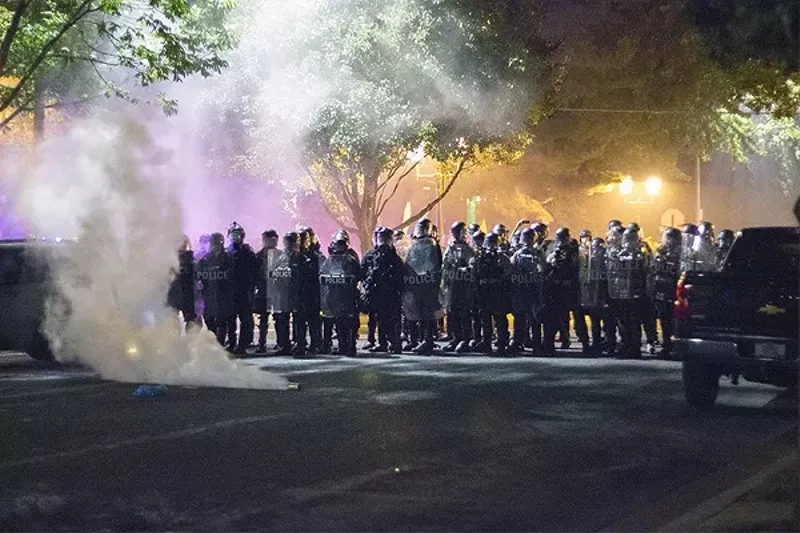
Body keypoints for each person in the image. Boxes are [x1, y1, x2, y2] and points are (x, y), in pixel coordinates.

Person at [402, 218, 442, 354]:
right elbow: (409, 262)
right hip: (417, 284)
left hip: (428, 284)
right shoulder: (415, 245)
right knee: (417, 312)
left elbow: (435, 265)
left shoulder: (431, 245)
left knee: (427, 314)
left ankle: (428, 340)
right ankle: (417, 340)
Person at [546, 227, 589, 354]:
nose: (561, 241)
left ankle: (585, 342)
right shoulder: (554, 249)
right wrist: (555, 256)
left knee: (578, 316)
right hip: (559, 288)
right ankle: (561, 339)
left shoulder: (575, 250)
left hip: (572, 287)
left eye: (563, 238)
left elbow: (579, 265)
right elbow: (549, 263)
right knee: (558, 316)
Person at [362, 226, 404, 353]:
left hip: (391, 294)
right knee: (380, 319)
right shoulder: (371, 255)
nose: (383, 241)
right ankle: (382, 343)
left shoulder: (395, 259)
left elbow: (401, 276)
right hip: (377, 293)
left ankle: (395, 343)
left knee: (393, 319)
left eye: (386, 238)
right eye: (381, 238)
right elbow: (363, 271)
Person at [320, 230, 362, 357]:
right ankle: (342, 345)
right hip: (334, 297)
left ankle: (350, 346)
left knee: (349, 323)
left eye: (341, 244)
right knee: (338, 322)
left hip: (348, 297)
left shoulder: (351, 259)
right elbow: (322, 275)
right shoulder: (330, 260)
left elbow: (358, 275)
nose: (339, 247)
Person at [607, 227, 647, 358]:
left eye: (632, 239)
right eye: (627, 239)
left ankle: (635, 347)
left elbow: (644, 265)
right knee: (622, 320)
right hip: (622, 291)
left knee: (634, 321)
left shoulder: (641, 252)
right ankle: (625, 344)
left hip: (636, 291)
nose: (629, 242)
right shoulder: (620, 253)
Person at [473, 232, 512, 354]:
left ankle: (501, 343)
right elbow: (475, 273)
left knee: (499, 318)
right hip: (485, 290)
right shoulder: (480, 257)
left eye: (493, 242)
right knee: (485, 318)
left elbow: (509, 271)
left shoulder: (501, 257)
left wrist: (500, 281)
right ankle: (486, 342)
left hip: (496, 290)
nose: (491, 245)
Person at [647, 227, 681, 358]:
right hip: (661, 290)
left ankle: (676, 347)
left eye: (672, 238)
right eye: (668, 237)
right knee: (664, 320)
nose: (669, 241)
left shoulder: (683, 255)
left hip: (675, 291)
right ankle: (667, 346)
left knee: (676, 321)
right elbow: (653, 271)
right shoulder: (660, 253)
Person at [441, 221, 475, 353]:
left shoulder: (468, 250)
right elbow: (445, 266)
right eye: (461, 231)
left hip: (464, 286)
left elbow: (472, 266)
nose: (464, 234)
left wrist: (464, 270)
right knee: (452, 313)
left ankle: (465, 340)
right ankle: (456, 338)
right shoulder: (450, 249)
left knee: (465, 314)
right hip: (453, 286)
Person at [197, 232, 234, 348]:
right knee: (209, 319)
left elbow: (233, 275)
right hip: (209, 294)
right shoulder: (205, 259)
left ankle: (220, 344)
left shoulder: (228, 257)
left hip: (224, 294)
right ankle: (213, 341)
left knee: (222, 320)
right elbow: (198, 275)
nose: (216, 246)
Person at [510, 227, 544, 354]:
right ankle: (519, 342)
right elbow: (511, 267)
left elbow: (543, 267)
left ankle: (536, 344)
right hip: (522, 288)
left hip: (532, 288)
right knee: (520, 318)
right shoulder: (519, 253)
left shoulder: (537, 253)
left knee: (533, 318)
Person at [226, 222, 258, 355]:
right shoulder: (226, 253)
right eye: (233, 234)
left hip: (244, 290)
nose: (235, 237)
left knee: (245, 319)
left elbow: (254, 270)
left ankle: (243, 344)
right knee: (230, 319)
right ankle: (232, 342)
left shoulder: (247, 252)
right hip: (230, 290)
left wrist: (252, 287)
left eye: (238, 234)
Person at [270, 232, 303, 356]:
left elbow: (305, 277)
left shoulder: (301, 258)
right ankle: (284, 344)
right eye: (288, 242)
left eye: (292, 242)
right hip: (283, 294)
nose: (289, 244)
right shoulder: (281, 257)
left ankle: (299, 344)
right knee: (282, 320)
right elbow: (273, 273)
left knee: (298, 321)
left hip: (296, 294)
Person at [580, 237, 607, 355]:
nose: (597, 251)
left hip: (603, 295)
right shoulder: (587, 262)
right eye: (595, 248)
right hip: (591, 295)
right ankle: (592, 342)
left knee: (602, 321)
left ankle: (604, 342)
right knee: (593, 320)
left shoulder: (606, 261)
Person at [254, 229, 279, 354]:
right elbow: (254, 273)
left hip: (278, 290)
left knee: (280, 317)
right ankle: (261, 343)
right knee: (263, 317)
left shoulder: (280, 255)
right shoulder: (258, 256)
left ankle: (282, 342)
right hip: (263, 289)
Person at [167, 235, 197, 331]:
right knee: (173, 322)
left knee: (191, 322)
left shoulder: (192, 260)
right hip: (174, 294)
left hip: (188, 294)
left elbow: (197, 277)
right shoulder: (169, 260)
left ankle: (191, 342)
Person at [360, 227, 383, 350]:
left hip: (385, 291)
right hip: (372, 291)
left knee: (383, 318)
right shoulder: (369, 254)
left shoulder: (390, 254)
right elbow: (362, 270)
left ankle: (383, 341)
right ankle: (371, 339)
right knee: (372, 318)